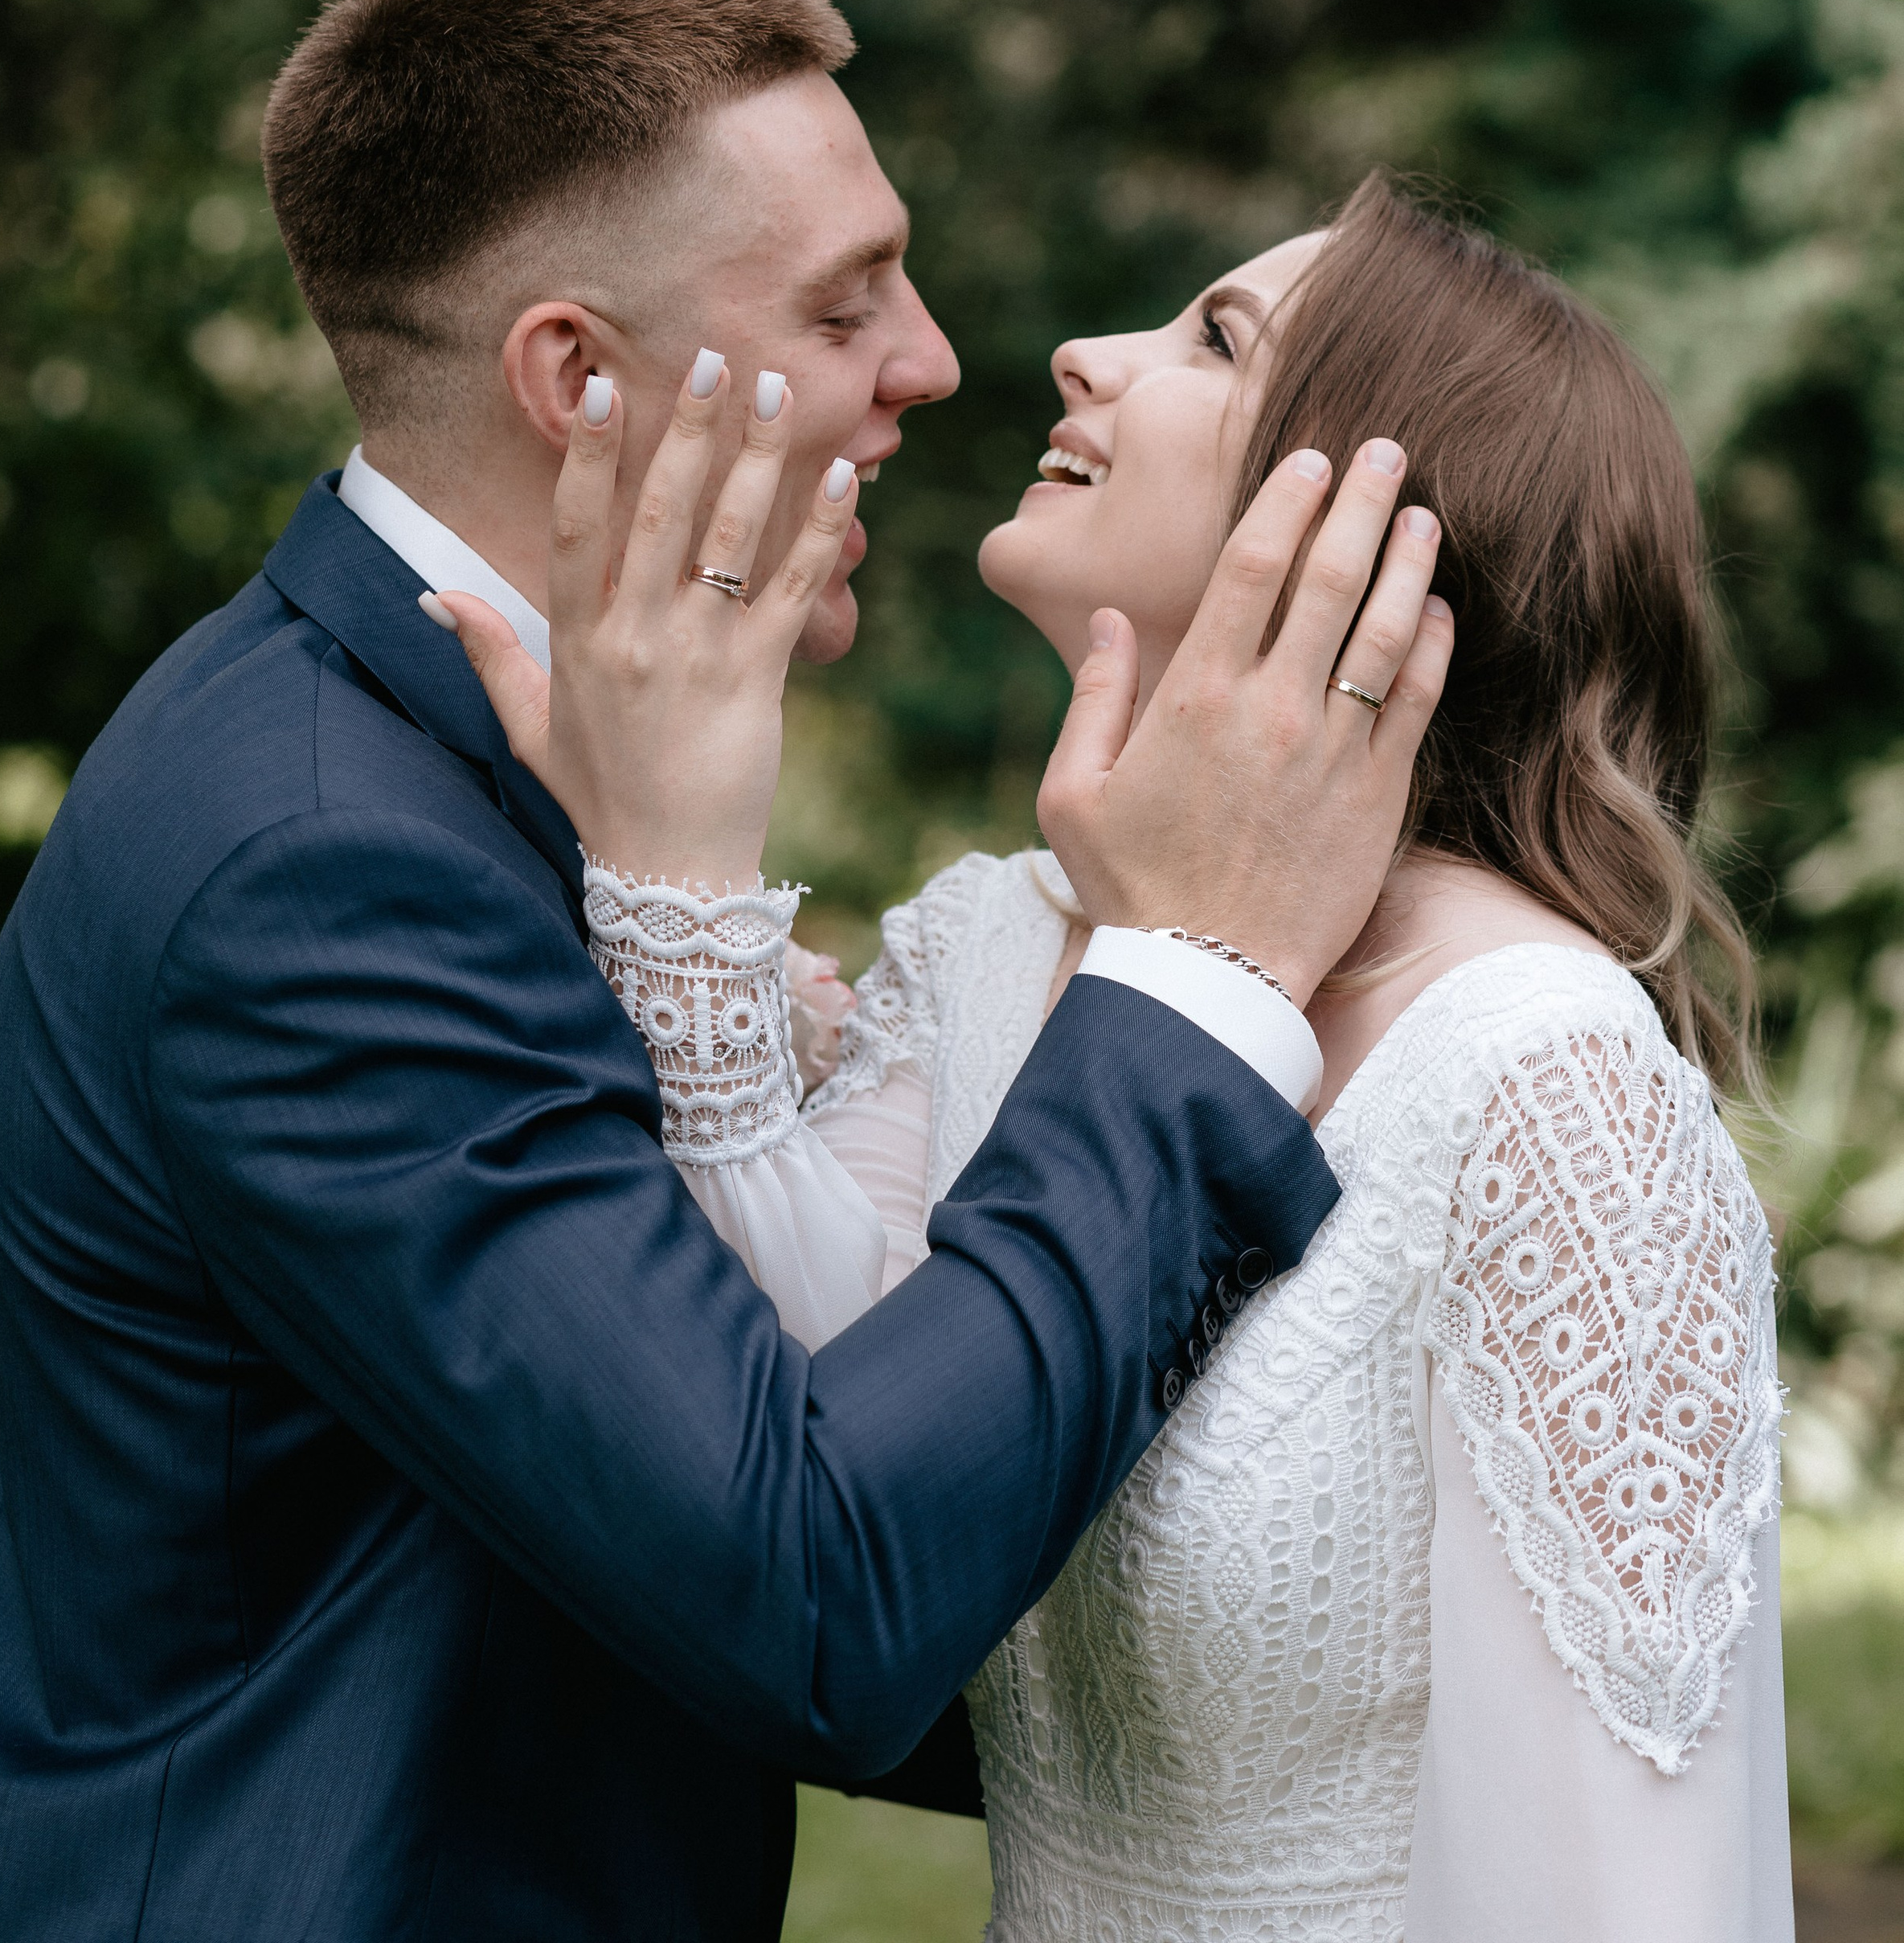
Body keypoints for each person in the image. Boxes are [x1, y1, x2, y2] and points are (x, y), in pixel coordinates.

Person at [0, 0, 1452, 1942]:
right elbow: (814, 1597)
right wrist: (1190, 989)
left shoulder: (499, 767)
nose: (934, 361)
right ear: (578, 379)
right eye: (842, 310)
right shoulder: (310, 861)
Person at [463, 170, 1791, 1941]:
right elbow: (808, 1464)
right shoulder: (996, 945)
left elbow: (1623, 1888)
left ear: (1385, 543)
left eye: (1213, 339)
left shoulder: (1539, 1072)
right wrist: (676, 867)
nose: (1083, 355)